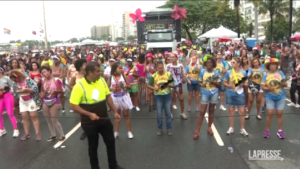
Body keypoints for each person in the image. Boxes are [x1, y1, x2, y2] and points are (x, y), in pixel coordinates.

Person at [69, 62, 125, 169]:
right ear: (90, 72)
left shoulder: (101, 81)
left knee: (110, 143)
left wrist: (115, 111)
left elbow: (107, 96)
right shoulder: (79, 86)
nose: (101, 73)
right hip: (89, 123)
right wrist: (89, 114)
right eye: (98, 71)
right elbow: (73, 105)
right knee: (93, 147)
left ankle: (113, 165)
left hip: (104, 119)